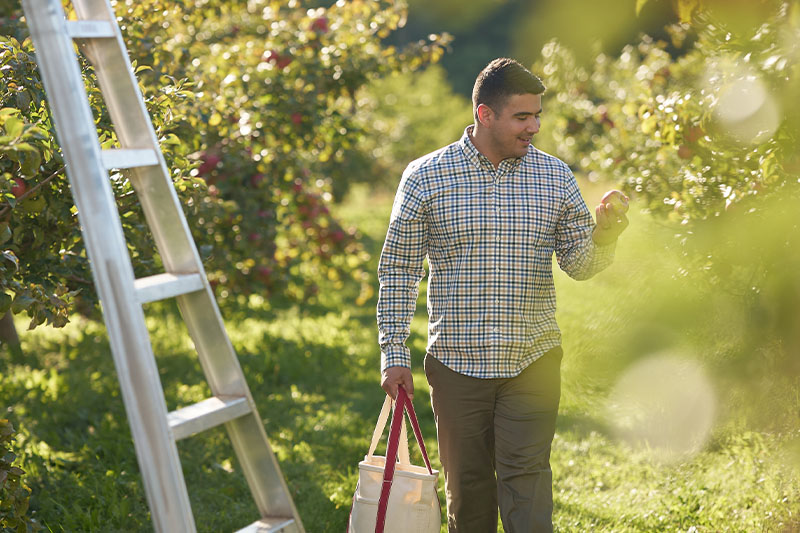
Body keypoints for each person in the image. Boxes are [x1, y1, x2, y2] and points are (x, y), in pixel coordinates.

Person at [376, 57, 628, 532]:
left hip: (532, 360)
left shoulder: (555, 177)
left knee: (528, 488)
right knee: (468, 493)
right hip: (457, 364)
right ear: (485, 114)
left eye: (537, 116)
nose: (534, 127)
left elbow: (579, 265)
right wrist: (394, 353)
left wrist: (604, 235)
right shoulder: (426, 177)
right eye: (522, 116)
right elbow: (398, 269)